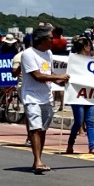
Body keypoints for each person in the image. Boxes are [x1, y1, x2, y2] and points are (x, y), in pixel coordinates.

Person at [17, 27, 68, 174]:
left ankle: (37, 159)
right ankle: (38, 160)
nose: (53, 41)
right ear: (42, 40)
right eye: (50, 38)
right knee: (35, 128)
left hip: (46, 96)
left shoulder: (49, 53)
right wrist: (60, 77)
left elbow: (49, 73)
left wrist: (61, 82)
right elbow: (37, 76)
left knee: (43, 129)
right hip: (31, 96)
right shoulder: (28, 54)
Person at [64, 37, 94, 157]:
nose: (90, 48)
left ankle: (93, 147)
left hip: (90, 94)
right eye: (89, 45)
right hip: (77, 94)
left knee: (90, 121)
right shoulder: (73, 59)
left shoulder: (92, 60)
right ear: (85, 47)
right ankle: (70, 144)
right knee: (79, 121)